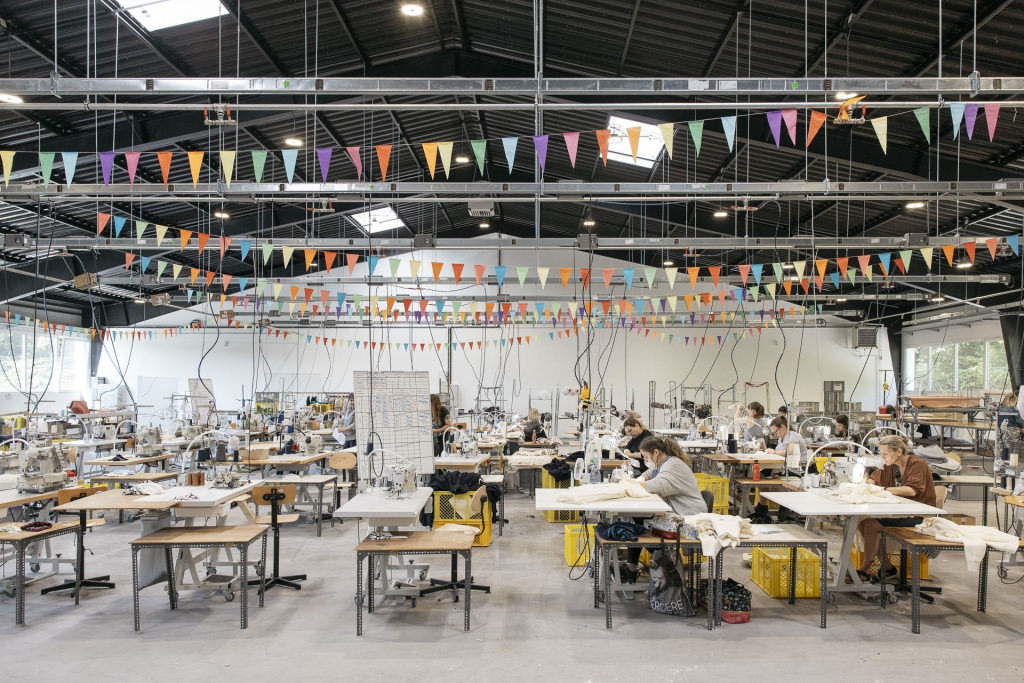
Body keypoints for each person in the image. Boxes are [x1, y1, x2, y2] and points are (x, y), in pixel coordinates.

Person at [620, 435, 708, 581]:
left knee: (638, 524)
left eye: (646, 457)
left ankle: (657, 562)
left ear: (656, 452)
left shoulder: (673, 465)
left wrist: (632, 483)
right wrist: (642, 478)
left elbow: (658, 485)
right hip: (678, 510)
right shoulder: (666, 463)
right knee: (637, 521)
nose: (646, 461)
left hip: (689, 514)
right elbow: (651, 473)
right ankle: (633, 566)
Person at [855, 435, 937, 581]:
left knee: (870, 524)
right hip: (904, 512)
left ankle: (865, 569)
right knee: (862, 524)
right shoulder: (890, 465)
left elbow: (912, 490)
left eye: (885, 454)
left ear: (898, 452)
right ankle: (887, 567)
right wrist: (869, 482)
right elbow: (874, 477)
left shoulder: (917, 464)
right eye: (881, 453)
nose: (883, 457)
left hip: (921, 517)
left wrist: (883, 490)